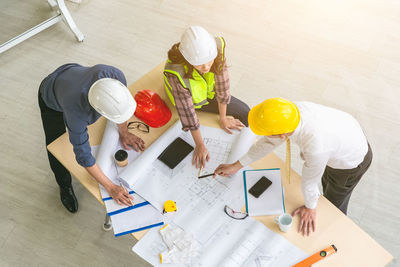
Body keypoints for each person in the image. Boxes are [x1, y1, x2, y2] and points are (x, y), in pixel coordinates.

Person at [214, 98, 372, 236]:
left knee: (333, 206)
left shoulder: (316, 147)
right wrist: (236, 166)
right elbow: (268, 142)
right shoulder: (288, 112)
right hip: (343, 137)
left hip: (351, 163)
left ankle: (336, 231)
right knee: (323, 185)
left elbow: (310, 182)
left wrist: (310, 208)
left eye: (267, 133)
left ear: (281, 135)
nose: (266, 137)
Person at [38, 63, 145, 213]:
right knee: (55, 147)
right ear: (98, 111)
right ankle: (64, 185)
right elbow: (84, 157)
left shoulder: (114, 76)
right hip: (50, 94)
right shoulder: (76, 113)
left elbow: (118, 108)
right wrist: (111, 187)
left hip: (70, 73)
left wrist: (124, 132)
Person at [164, 26, 250, 169]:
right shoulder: (175, 73)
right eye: (199, 63)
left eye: (209, 60)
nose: (206, 67)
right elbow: (188, 113)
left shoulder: (216, 49)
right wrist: (200, 144)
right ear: (187, 59)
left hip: (210, 93)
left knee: (245, 111)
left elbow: (223, 87)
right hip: (192, 102)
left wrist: (223, 119)